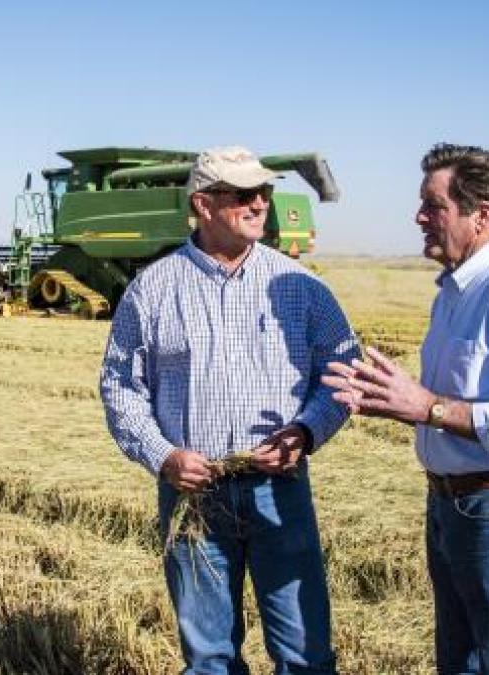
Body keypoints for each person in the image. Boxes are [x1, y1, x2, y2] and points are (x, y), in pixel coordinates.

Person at [322, 143, 489, 674]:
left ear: (480, 215)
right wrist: (391, 399)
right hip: (452, 507)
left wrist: (427, 408)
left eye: (432, 205)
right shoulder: (453, 294)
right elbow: (445, 403)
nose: (418, 217)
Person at [99, 145, 359, 674]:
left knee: (306, 656)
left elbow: (342, 373)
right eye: (243, 194)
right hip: (194, 495)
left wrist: (306, 433)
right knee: (209, 659)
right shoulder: (152, 289)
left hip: (278, 492)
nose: (260, 203)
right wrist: (164, 456)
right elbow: (120, 387)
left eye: (263, 192)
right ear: (203, 204)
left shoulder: (302, 288)